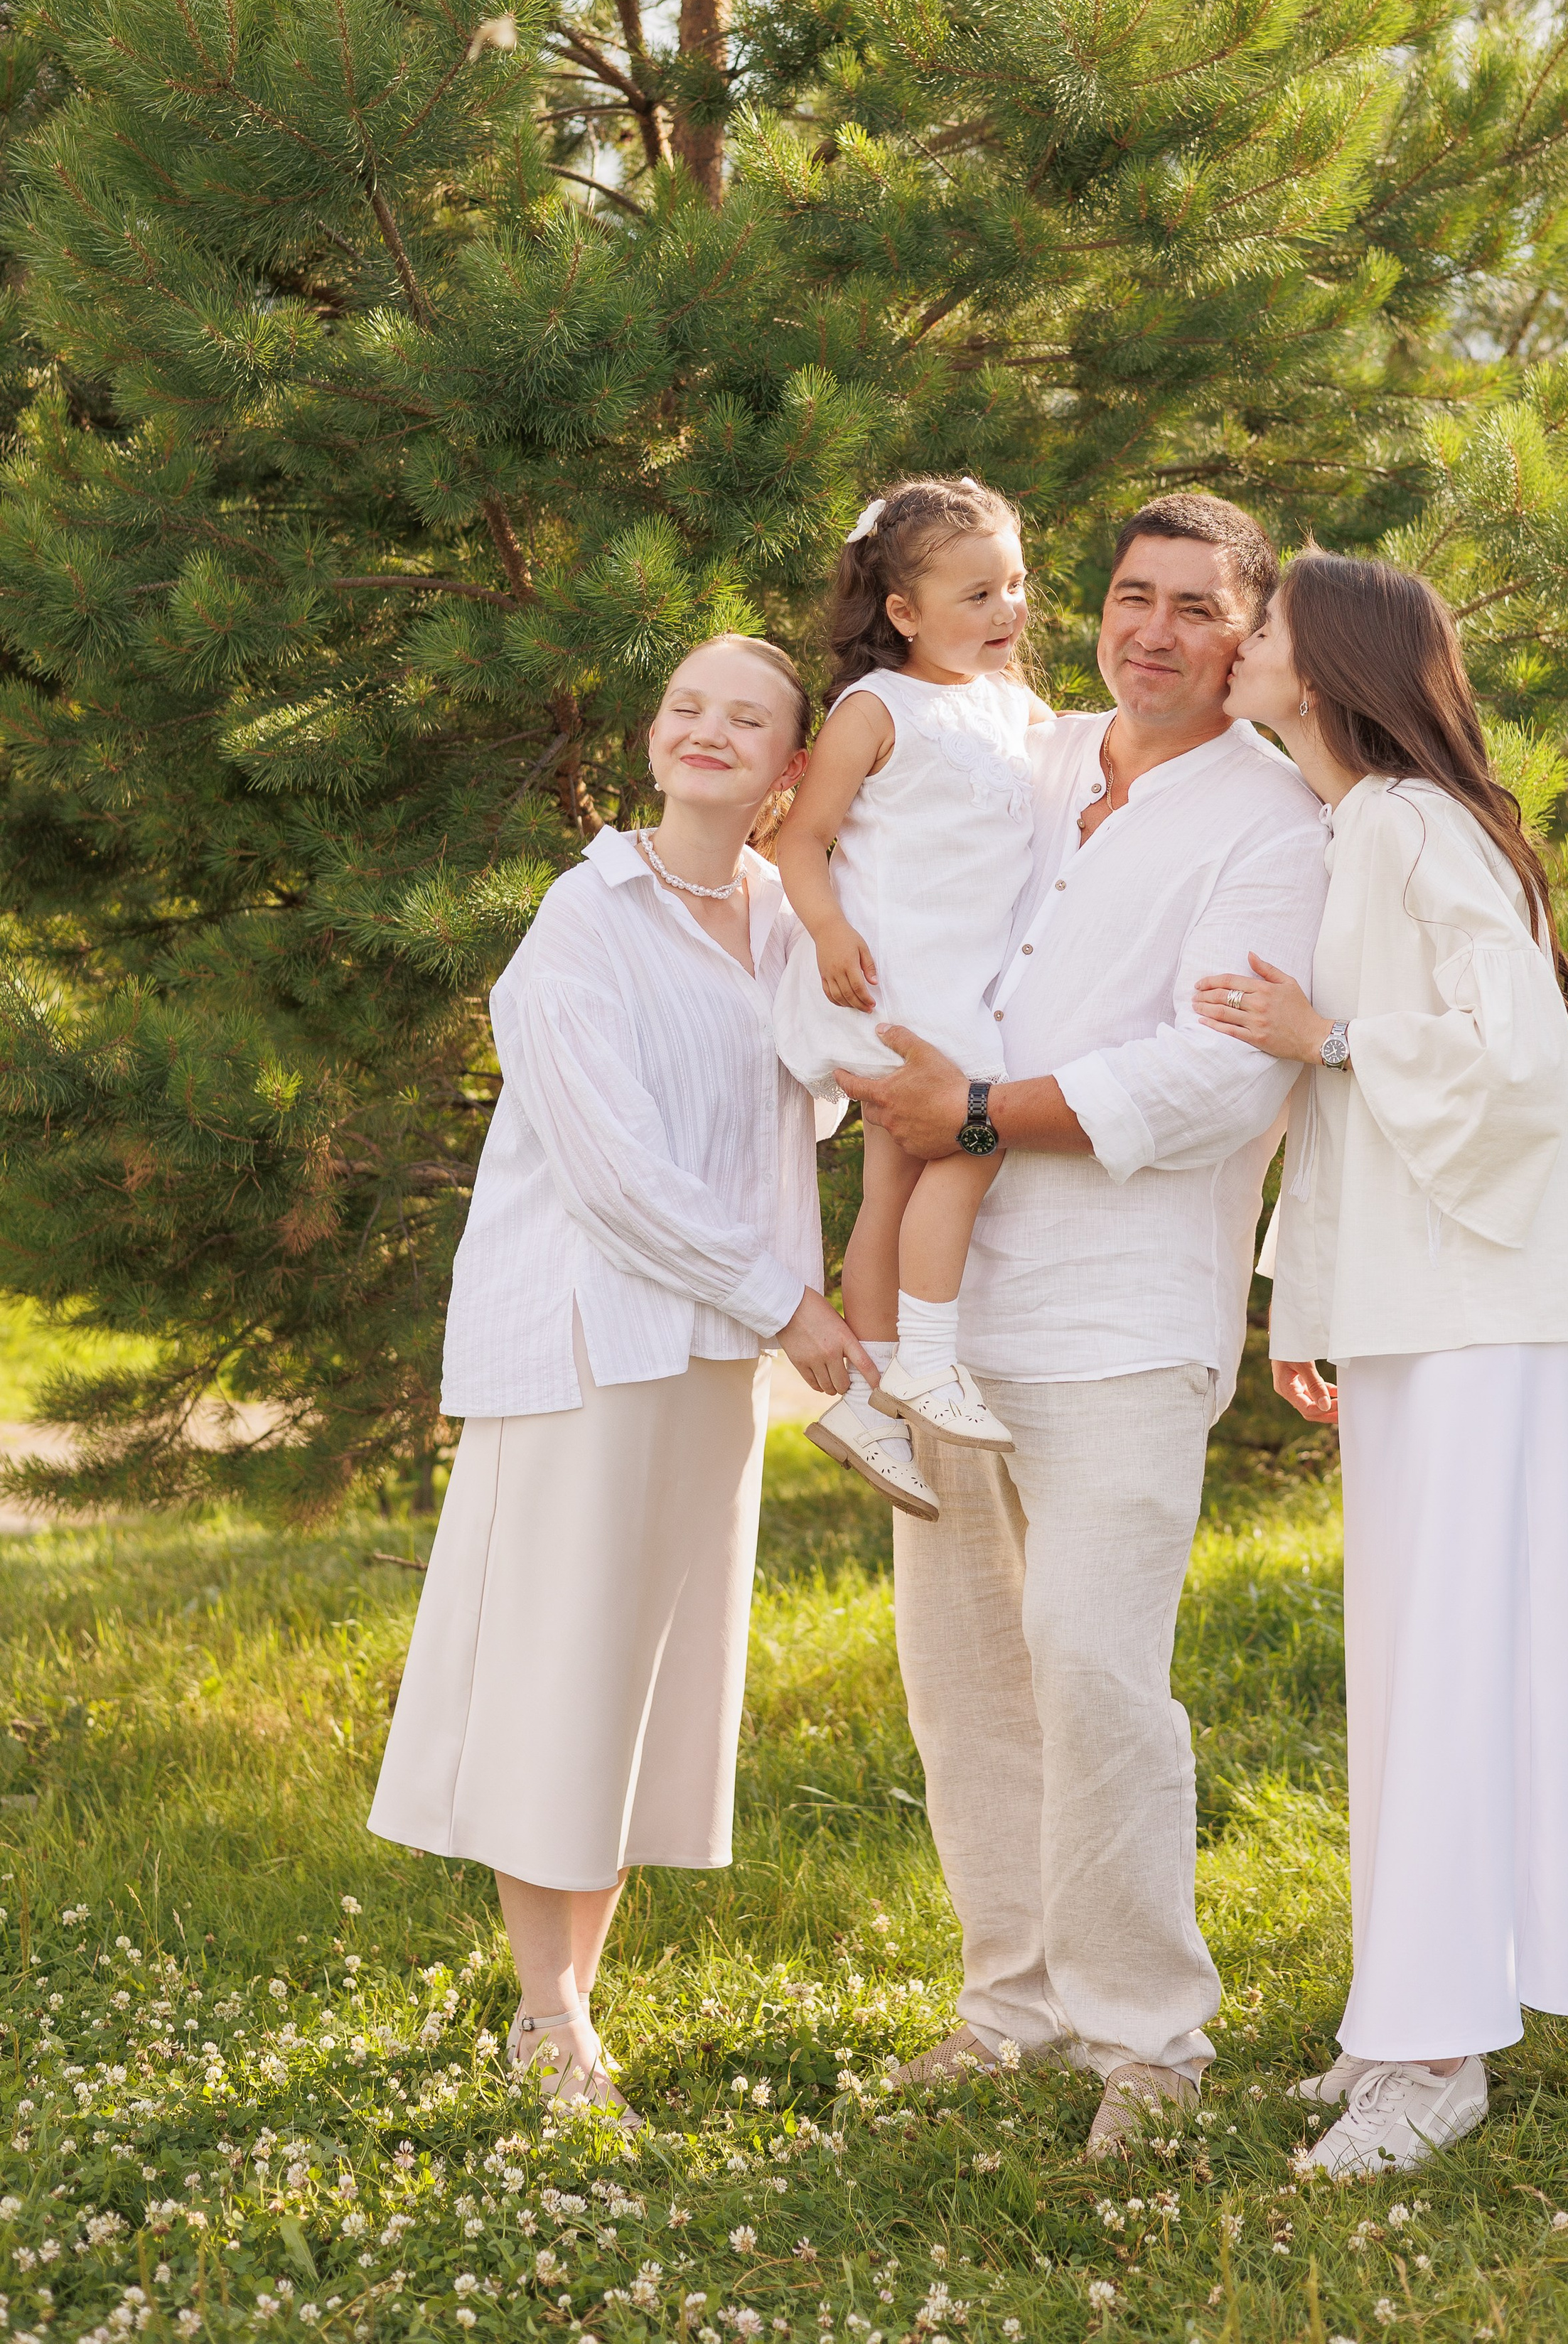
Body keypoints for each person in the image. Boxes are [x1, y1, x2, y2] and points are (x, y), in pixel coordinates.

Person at [834, 493, 1329, 2154]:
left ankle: (1147, 2047)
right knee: (964, 1672)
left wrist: (973, 1109)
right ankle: (1013, 2007)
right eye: (1131, 598)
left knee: (1095, 1667)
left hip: (1117, 1311)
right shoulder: (1023, 756)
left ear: (1248, 637)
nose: (1153, 632)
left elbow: (1215, 1078)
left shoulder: (1268, 824)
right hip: (941, 1309)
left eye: (1197, 608)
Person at [367, 635, 874, 2129]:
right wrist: (789, 1304)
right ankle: (548, 2016)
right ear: (653, 739)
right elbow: (615, 1176)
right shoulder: (582, 918)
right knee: (563, 1674)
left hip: (710, 1357)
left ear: (790, 767)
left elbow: (828, 1093)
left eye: (748, 719)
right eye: (684, 708)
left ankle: (570, 2000)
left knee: (647, 1687)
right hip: (589, 1341)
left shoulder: (785, 918)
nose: (706, 732)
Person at [1193, 550, 1568, 2177]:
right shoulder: (1355, 826)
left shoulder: (1408, 825)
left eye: (1267, 625)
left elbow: (1509, 1066)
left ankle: (1435, 2056)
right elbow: (1349, 1125)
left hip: (1463, 1315)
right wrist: (1312, 1307)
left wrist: (1330, 1035)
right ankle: (1409, 2012)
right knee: (1415, 1663)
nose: (1237, 643)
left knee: (1441, 1663)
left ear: (1329, 664)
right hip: (1417, 1309)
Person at [772, 475, 1051, 1518]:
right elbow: (803, 837)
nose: (1007, 611)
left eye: (1016, 586)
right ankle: (927, 1359)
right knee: (976, 1138)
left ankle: (873, 1395)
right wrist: (828, 928)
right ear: (903, 611)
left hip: (959, 975)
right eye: (976, 594)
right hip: (893, 977)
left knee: (891, 1185)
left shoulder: (1017, 707)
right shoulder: (875, 706)